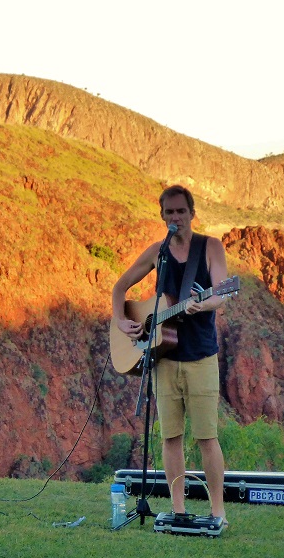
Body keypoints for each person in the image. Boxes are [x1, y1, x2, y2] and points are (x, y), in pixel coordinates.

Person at [111, 184, 228, 525]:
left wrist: (203, 304)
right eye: (169, 212)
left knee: (207, 436)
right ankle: (178, 510)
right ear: (162, 216)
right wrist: (122, 322)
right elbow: (120, 288)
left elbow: (222, 291)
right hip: (164, 360)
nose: (176, 217)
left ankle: (218, 512)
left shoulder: (210, 247)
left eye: (181, 211)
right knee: (170, 437)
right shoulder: (157, 252)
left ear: (192, 213)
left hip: (202, 357)